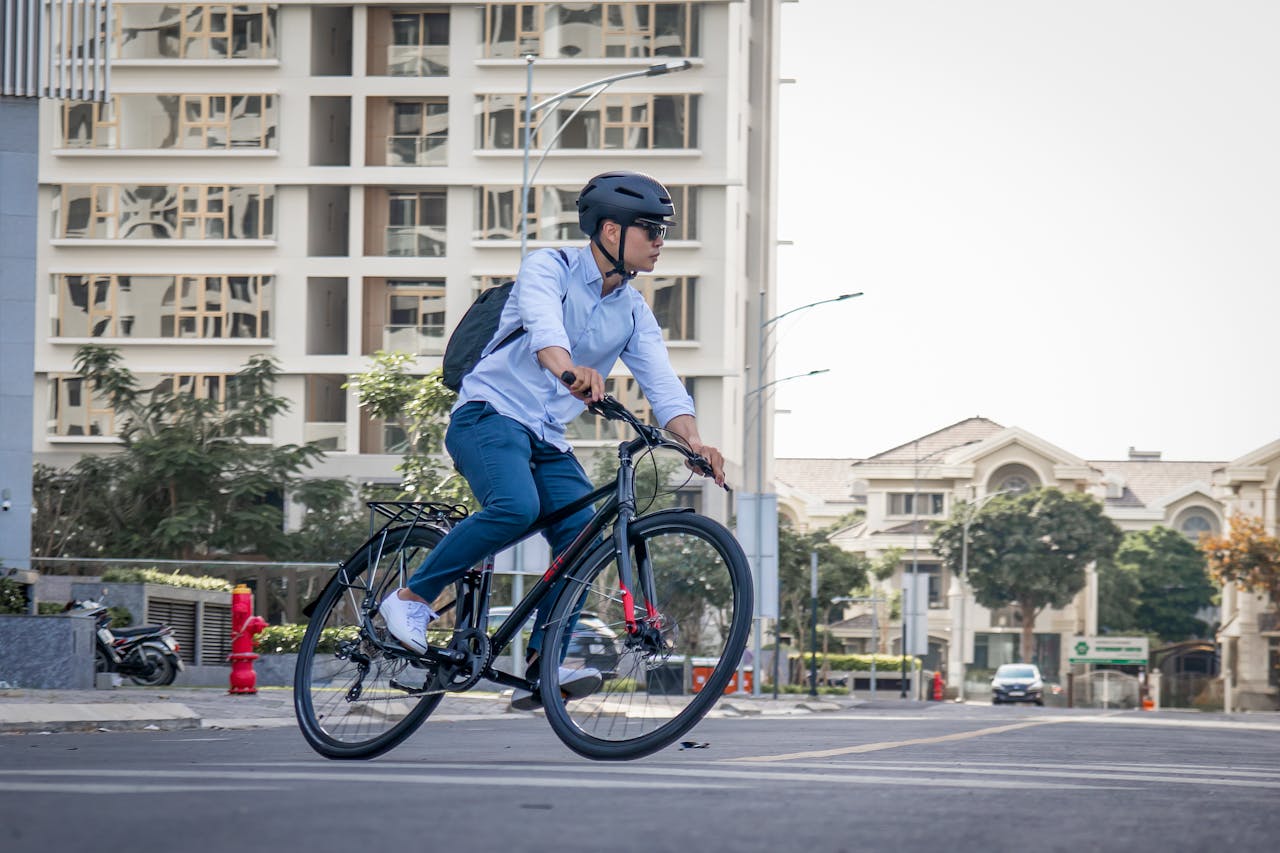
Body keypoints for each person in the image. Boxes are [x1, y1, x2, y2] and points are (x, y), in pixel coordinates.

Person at [379, 170, 726, 709]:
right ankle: (410, 598)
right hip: (488, 414)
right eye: (651, 229)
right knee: (516, 507)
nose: (661, 241)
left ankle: (546, 661)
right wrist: (569, 371)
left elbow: (663, 383)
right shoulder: (550, 266)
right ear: (611, 231)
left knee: (582, 534)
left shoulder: (633, 309)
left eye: (664, 231)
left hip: (546, 435)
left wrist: (695, 442)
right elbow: (545, 331)